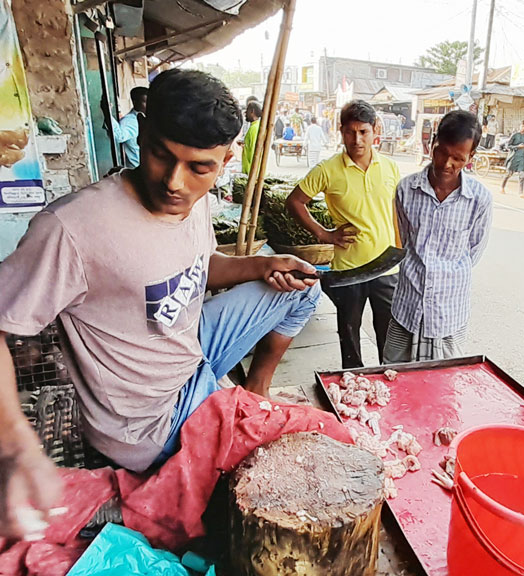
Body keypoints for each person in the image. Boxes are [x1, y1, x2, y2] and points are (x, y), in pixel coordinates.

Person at [0, 69, 331, 536]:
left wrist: (262, 265)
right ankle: (218, 417)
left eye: (199, 167)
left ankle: (254, 389)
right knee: (294, 462)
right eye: (160, 155)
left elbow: (197, 267)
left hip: (192, 351)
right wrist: (15, 444)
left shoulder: (199, 200)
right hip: (149, 418)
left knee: (305, 288)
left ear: (225, 159)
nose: (175, 183)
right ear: (144, 134)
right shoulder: (72, 229)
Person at [286, 100, 402, 368]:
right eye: (350, 132)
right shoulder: (328, 170)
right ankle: (353, 382)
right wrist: (325, 234)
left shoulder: (390, 168)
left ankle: (389, 380)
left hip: (386, 269)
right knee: (349, 332)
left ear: (375, 131)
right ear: (341, 131)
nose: (357, 139)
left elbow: (397, 213)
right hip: (349, 269)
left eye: (363, 132)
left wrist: (400, 252)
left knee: (389, 335)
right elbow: (294, 202)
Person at [383, 110, 492, 363]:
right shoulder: (406, 190)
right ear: (433, 143)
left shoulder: (479, 199)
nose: (447, 164)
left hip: (448, 312)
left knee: (443, 384)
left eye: (458, 158)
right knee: (393, 377)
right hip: (407, 307)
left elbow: (474, 251)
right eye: (441, 152)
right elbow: (404, 241)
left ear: (471, 157)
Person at [110, 86, 148, 169]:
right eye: (145, 102)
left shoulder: (146, 118)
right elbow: (119, 136)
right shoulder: (130, 120)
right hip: (137, 169)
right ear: (135, 102)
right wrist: (107, 114)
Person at [501, 120, 524, 198]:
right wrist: (517, 147)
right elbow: (508, 146)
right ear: (519, 126)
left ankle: (521, 192)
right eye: (522, 126)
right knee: (509, 173)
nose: (523, 128)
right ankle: (502, 187)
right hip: (513, 156)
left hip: (521, 158)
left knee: (522, 175)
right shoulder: (515, 135)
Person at [241, 101, 261, 176]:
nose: (245, 113)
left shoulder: (254, 129)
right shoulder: (254, 127)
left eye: (247, 110)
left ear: (252, 111)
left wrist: (252, 175)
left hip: (251, 173)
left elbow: (254, 153)